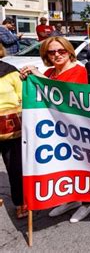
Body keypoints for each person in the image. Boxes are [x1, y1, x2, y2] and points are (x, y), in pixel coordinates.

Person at [19, 36, 90, 221]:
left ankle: (86, 202)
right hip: (54, 130)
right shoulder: (50, 72)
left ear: (69, 51)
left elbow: (62, 93)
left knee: (78, 165)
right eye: (52, 52)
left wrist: (37, 75)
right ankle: (70, 199)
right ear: (46, 55)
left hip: (75, 129)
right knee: (63, 164)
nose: (57, 55)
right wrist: (27, 80)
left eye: (61, 51)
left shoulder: (78, 70)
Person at [0, 43, 26, 219]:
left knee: (14, 166)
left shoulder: (10, 71)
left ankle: (20, 203)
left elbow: (23, 97)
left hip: (9, 128)